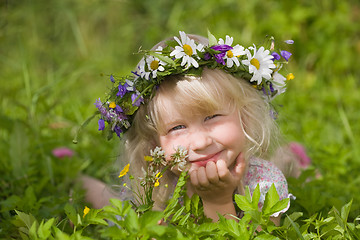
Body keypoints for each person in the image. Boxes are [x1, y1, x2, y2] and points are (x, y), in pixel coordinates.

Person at [84, 31, 299, 224]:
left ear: (246, 117)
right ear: (153, 143)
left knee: (287, 164)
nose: (200, 142)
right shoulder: (159, 187)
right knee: (112, 207)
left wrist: (218, 201)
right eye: (177, 127)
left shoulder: (263, 184)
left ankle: (294, 160)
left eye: (212, 117)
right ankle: (76, 181)